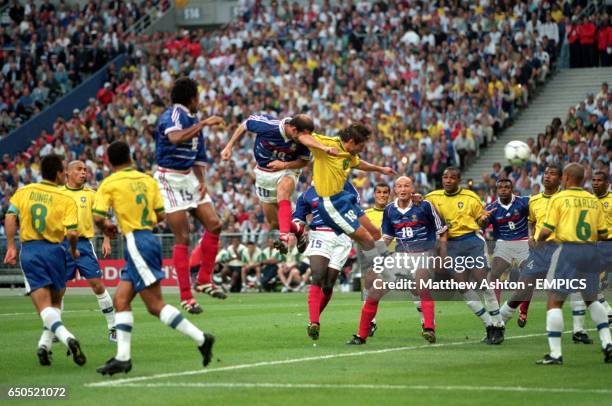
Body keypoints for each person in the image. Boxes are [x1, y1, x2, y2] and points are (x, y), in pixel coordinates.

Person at [93, 141, 215, 375]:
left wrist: (108, 226)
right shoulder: (148, 180)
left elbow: (98, 217)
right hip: (148, 239)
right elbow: (160, 214)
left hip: (136, 241)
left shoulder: (110, 183)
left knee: (154, 305)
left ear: (109, 161)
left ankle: (202, 339)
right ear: (130, 156)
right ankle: (122, 357)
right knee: (121, 300)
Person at [3, 154, 86, 366]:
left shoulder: (24, 191)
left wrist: (11, 245)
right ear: (60, 174)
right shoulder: (66, 198)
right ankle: (49, 343)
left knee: (43, 306)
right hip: (56, 252)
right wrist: (74, 251)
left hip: (31, 251)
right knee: (56, 302)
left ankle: (59, 340)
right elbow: (73, 234)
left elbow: (10, 216)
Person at [154, 77, 225, 314]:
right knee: (182, 236)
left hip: (189, 177)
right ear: (192, 98)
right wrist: (204, 123)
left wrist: (202, 181)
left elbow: (197, 155)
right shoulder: (173, 115)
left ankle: (204, 279)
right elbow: (175, 138)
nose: (199, 102)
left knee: (215, 225)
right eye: (198, 97)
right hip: (169, 179)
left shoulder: (193, 119)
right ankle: (186, 296)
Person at [348, 176, 447, 345]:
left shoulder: (424, 206)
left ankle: (429, 328)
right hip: (400, 257)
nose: (403, 189)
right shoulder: (390, 210)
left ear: (412, 188)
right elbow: (387, 237)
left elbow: (442, 231)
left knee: (421, 285)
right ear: (395, 190)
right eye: (399, 186)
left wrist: (442, 257)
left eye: (406, 186)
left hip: (423, 254)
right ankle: (361, 335)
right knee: (374, 291)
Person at [499, 165, 593, 343]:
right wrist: (530, 236)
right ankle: (497, 326)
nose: (547, 176)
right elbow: (532, 222)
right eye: (546, 173)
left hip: (562, 249)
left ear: (561, 179)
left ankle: (579, 331)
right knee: (521, 291)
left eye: (552, 174)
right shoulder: (534, 200)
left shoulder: (566, 199)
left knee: (575, 288)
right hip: (539, 251)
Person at [221, 113, 332, 253]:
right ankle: (298, 230)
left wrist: (284, 165)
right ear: (293, 130)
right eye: (303, 135)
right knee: (274, 223)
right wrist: (229, 146)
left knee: (283, 193)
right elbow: (245, 125)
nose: (306, 139)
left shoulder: (305, 140)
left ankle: (284, 239)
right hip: (263, 173)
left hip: (287, 170)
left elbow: (303, 161)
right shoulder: (268, 126)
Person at [535, 163, 611, 365]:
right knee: (592, 298)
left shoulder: (558, 198)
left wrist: (538, 243)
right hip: (591, 251)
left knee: (554, 300)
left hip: (569, 250)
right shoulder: (593, 200)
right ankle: (607, 343)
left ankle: (555, 354)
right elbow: (604, 233)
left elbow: (546, 229)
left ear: (566, 177)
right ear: (584, 179)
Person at [37, 161, 115, 354]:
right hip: (61, 245)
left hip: (84, 244)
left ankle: (113, 327)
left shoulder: (90, 194)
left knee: (97, 285)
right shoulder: (57, 194)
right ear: (67, 172)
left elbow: (104, 217)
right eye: (79, 169)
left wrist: (106, 239)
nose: (83, 172)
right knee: (58, 290)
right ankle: (55, 329)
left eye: (85, 170)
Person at [296, 124, 395, 268]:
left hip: (343, 198)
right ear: (351, 142)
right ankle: (385, 274)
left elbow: (358, 163)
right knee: (366, 239)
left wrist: (380, 169)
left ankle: (384, 262)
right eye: (361, 145)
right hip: (330, 202)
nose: (363, 149)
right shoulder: (329, 143)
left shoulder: (350, 154)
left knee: (374, 231)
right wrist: (324, 149)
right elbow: (303, 136)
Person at [426, 167, 505, 345]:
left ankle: (499, 324)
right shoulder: (432, 197)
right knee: (463, 287)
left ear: (459, 180)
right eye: (445, 176)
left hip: (471, 241)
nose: (447, 180)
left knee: (482, 282)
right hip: (452, 245)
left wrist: (483, 218)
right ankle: (490, 325)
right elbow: (424, 210)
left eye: (452, 177)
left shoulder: (470, 197)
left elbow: (480, 219)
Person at [293, 181, 356, 340]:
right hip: (320, 234)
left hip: (342, 237)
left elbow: (355, 210)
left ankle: (313, 319)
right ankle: (315, 322)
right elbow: (298, 217)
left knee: (328, 285)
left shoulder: (346, 186)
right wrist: (296, 231)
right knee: (317, 275)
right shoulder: (308, 193)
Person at [480, 179, 530, 313]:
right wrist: (483, 221)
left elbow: (537, 216)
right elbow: (482, 226)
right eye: (500, 187)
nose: (503, 189)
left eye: (506, 187)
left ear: (512, 188)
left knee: (528, 275)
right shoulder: (492, 208)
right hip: (503, 243)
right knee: (493, 275)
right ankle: (495, 310)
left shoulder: (524, 202)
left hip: (523, 241)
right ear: (496, 190)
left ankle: (523, 310)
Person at [362, 182, 392, 337]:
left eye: (385, 192)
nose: (382, 195)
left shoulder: (395, 212)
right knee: (370, 283)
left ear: (389, 194)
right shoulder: (365, 214)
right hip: (374, 258)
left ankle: (426, 324)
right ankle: (370, 322)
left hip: (396, 257)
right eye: (379, 192)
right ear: (374, 194)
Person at [592, 171, 612, 322]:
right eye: (594, 180)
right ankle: (607, 310)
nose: (596, 183)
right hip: (597, 246)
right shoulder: (589, 201)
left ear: (606, 183)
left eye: (599, 180)